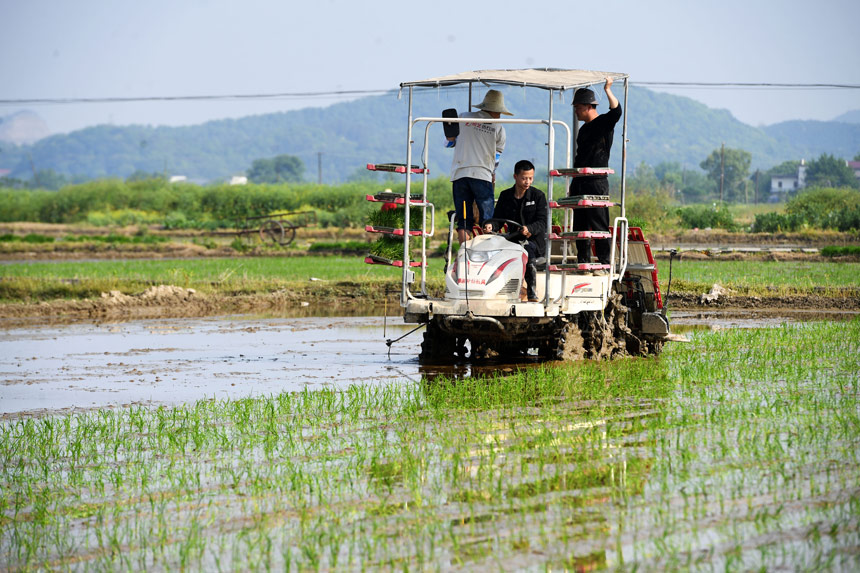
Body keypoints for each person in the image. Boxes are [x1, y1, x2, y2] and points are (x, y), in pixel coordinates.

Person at [447, 89, 511, 244]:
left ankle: (464, 255)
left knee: (463, 219)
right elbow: (496, 157)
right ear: (496, 111)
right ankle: (486, 253)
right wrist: (493, 173)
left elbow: (449, 142)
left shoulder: (463, 117)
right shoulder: (498, 128)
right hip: (482, 176)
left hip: (460, 175)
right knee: (488, 220)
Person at [569, 77, 621, 265]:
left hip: (596, 181)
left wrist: (607, 89)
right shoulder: (583, 130)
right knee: (580, 224)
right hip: (580, 180)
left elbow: (616, 112)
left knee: (598, 223)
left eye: (577, 107)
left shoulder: (603, 123)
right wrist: (574, 181)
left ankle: (604, 262)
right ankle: (582, 261)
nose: (575, 111)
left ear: (588, 106)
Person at [484, 159, 548, 302]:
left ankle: (531, 292)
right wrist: (491, 226)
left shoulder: (538, 196)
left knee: (528, 251)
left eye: (530, 178)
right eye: (524, 178)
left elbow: (542, 222)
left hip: (533, 241)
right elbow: (498, 220)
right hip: (512, 239)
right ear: (515, 177)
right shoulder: (505, 196)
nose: (527, 182)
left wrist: (529, 229)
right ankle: (489, 288)